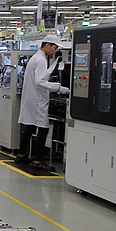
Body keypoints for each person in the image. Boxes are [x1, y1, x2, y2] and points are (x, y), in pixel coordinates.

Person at [15, 34, 69, 170]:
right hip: (37, 100)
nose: (55, 51)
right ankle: (37, 160)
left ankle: (21, 155)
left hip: (31, 99)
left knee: (30, 127)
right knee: (43, 129)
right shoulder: (41, 60)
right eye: (54, 48)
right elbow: (40, 81)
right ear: (47, 45)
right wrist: (59, 87)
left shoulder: (35, 58)